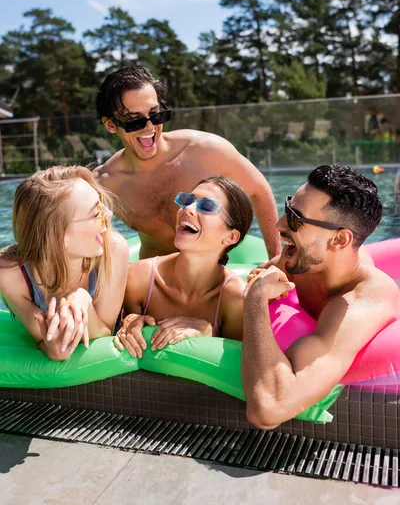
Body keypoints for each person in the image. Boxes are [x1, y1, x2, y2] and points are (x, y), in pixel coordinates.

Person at [241, 164, 400, 429]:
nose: (280, 225)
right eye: (288, 207)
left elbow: (268, 411)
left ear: (339, 240)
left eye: (295, 219)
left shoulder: (359, 306)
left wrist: (255, 301)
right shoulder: (302, 259)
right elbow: (262, 272)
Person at [94, 66, 280, 260]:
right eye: (134, 120)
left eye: (156, 114)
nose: (150, 127)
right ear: (111, 125)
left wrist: (276, 260)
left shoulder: (205, 150)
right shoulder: (106, 185)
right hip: (152, 281)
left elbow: (260, 191)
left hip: (213, 272)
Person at [114, 176, 253, 358]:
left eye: (207, 206)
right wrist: (128, 320)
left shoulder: (235, 299)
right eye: (188, 200)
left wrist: (209, 332)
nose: (187, 208)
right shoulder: (139, 279)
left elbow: (240, 366)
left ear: (231, 237)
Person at [0, 166, 129, 361]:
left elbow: (104, 333)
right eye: (96, 214)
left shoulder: (114, 249)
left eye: (102, 205)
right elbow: (43, 338)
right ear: (57, 236)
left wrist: (83, 300)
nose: (109, 215)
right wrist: (50, 347)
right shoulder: (10, 274)